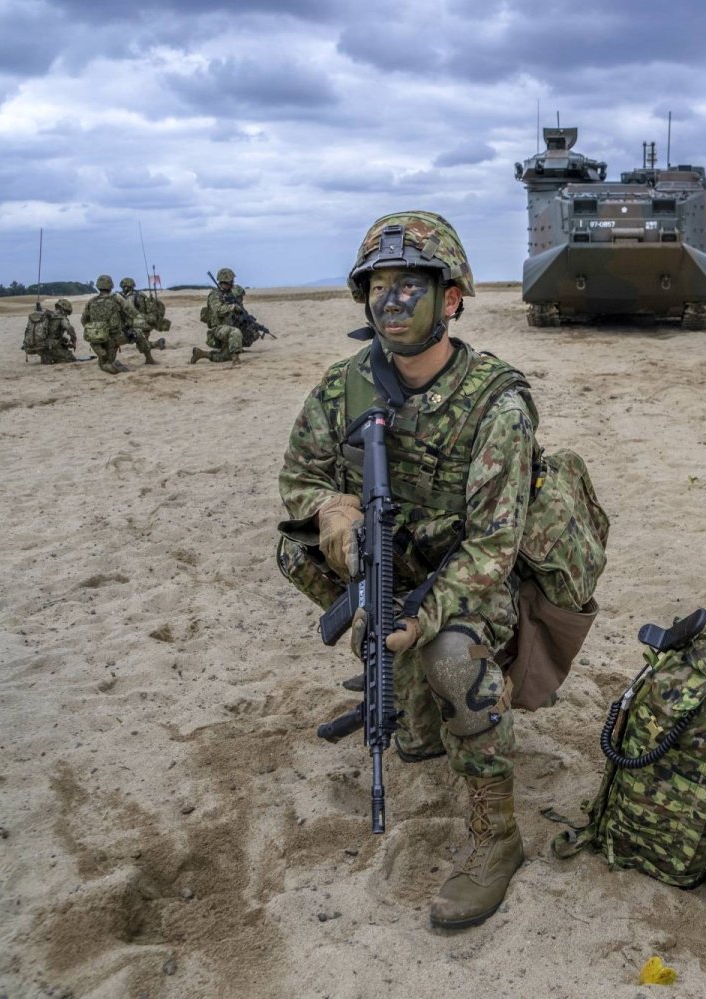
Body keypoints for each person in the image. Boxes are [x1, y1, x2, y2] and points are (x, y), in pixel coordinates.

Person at [279, 211, 535, 930]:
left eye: (408, 287)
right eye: (377, 287)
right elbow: (297, 478)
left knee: (450, 655)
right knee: (295, 547)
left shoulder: (496, 404)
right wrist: (333, 510)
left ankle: (495, 834)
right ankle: (405, 689)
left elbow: (493, 549)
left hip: (472, 577)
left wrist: (420, 620)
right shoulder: (345, 386)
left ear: (450, 298)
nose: (389, 303)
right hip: (397, 559)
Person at [81, 275, 132, 374]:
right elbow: (130, 313)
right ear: (111, 286)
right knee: (137, 333)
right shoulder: (116, 299)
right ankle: (149, 358)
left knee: (103, 362)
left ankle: (97, 346)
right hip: (114, 337)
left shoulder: (91, 301)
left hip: (98, 337)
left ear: (98, 286)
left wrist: (94, 331)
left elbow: (84, 320)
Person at [192, 267, 243, 365]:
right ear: (227, 281)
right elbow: (218, 310)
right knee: (235, 332)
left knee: (225, 357)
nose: (233, 283)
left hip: (229, 326)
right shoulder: (215, 295)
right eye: (231, 281)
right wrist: (232, 307)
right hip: (218, 328)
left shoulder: (229, 294)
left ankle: (201, 354)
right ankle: (236, 360)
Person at [117, 277, 159, 365]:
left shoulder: (128, 297)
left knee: (139, 337)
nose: (123, 289)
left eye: (124, 287)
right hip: (143, 322)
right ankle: (153, 344)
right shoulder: (140, 295)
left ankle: (151, 345)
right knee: (143, 337)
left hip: (133, 323)